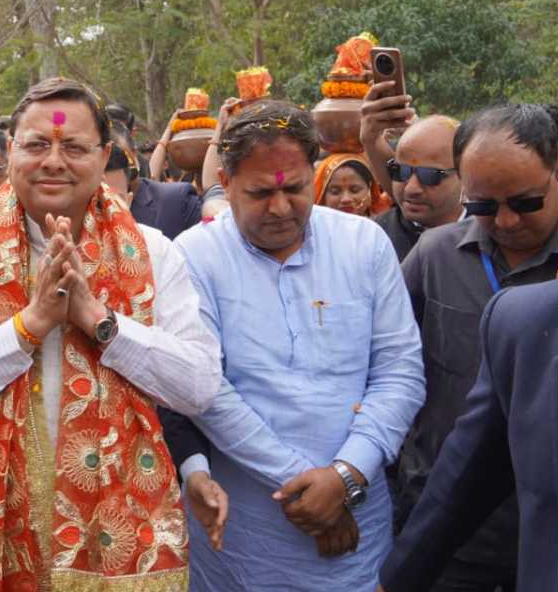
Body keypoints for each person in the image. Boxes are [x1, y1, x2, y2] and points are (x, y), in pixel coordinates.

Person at [0, 77, 221, 589]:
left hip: (127, 544)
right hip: (2, 546)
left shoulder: (153, 251)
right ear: (12, 150)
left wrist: (102, 323)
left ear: (104, 155)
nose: (53, 161)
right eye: (37, 145)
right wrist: (28, 327)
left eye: (73, 147)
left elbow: (199, 387)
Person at [161, 99, 424, 591]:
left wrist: (346, 475)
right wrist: (311, 490)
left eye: (296, 189)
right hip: (243, 531)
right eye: (260, 192)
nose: (280, 208)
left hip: (357, 523)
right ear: (225, 181)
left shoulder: (364, 243)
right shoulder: (193, 256)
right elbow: (206, 391)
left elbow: (400, 372)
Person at [381, 127, 558, 592]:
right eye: (484, 206)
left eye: (524, 203)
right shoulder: (445, 263)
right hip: (470, 541)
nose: (507, 220)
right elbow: (467, 468)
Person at [359, 84, 464, 260]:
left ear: (466, 176)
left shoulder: (495, 234)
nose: (411, 189)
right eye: (401, 172)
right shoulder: (371, 240)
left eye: (429, 175)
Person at [108, 116, 203, 239]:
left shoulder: (177, 200)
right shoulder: (87, 211)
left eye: (121, 157)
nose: (115, 165)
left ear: (134, 154)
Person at [313, 153, 388, 217]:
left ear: (370, 189)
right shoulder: (312, 227)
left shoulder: (387, 225)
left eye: (354, 190)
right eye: (335, 192)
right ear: (322, 196)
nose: (346, 199)